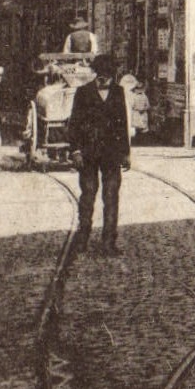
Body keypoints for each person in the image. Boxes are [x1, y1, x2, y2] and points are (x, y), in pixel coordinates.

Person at [66, 54, 131, 253]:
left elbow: (122, 124)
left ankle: (108, 242)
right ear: (95, 73)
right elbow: (74, 123)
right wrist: (75, 150)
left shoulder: (118, 92)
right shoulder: (83, 92)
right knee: (88, 195)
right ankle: (82, 238)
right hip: (87, 154)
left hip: (111, 155)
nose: (105, 79)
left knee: (111, 197)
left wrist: (126, 153)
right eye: (101, 74)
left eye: (108, 75)